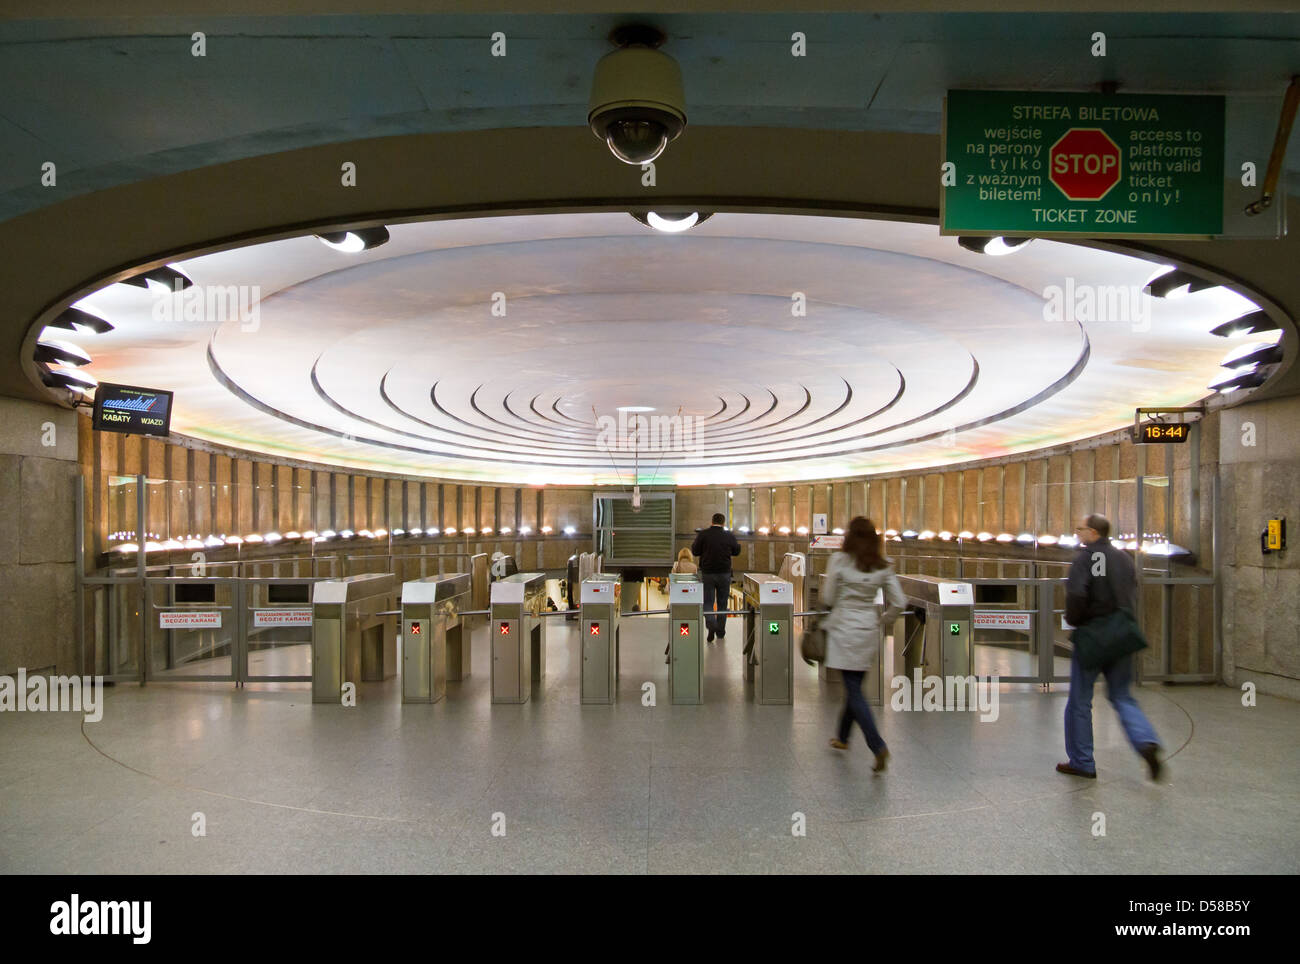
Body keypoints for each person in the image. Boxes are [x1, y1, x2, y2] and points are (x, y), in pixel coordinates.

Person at [1058, 513, 1163, 781]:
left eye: (1080, 529)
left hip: (1093, 635)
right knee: (1122, 696)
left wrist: (1075, 621)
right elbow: (1131, 593)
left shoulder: (1083, 559)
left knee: (1080, 701)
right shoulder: (1124, 559)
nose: (1078, 533)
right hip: (1121, 634)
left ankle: (1082, 761)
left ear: (1093, 532)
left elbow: (1077, 596)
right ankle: (1145, 741)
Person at [823, 516, 905, 773]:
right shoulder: (883, 566)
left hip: (843, 629)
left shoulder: (839, 560)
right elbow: (899, 602)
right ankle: (843, 738)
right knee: (854, 684)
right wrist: (883, 620)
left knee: (853, 689)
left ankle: (877, 745)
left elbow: (827, 596)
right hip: (868, 630)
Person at [690, 512, 740, 642]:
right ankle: (720, 631)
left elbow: (695, 551)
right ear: (723, 523)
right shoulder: (729, 535)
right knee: (723, 603)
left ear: (712, 522)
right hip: (724, 574)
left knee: (708, 602)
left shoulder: (704, 534)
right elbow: (737, 551)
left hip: (707, 574)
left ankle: (711, 624)